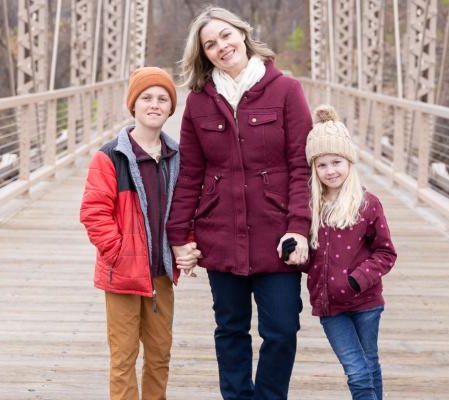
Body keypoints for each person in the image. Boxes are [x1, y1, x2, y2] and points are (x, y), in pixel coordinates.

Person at [167, 6, 313, 400]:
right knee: (230, 328)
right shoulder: (199, 102)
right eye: (210, 44)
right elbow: (190, 173)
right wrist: (179, 235)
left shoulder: (286, 90)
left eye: (225, 36)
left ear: (243, 34)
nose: (221, 47)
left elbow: (301, 166)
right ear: (204, 54)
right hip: (221, 234)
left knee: (282, 329)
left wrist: (299, 227)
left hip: (276, 233)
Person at [79, 67, 181, 400]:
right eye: (146, 98)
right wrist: (120, 253)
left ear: (170, 108)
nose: (155, 104)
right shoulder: (110, 157)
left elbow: (186, 209)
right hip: (122, 274)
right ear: (133, 105)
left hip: (161, 274)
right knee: (123, 357)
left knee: (159, 355)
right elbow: (93, 213)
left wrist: (186, 245)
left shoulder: (177, 157)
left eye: (162, 98)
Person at [303, 105, 397, 400]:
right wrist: (296, 254)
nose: (330, 171)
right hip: (329, 305)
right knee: (356, 370)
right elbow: (311, 259)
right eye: (322, 165)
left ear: (349, 162)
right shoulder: (309, 207)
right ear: (314, 168)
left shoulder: (368, 204)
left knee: (369, 364)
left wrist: (358, 279)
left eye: (336, 162)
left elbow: (386, 253)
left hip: (365, 300)